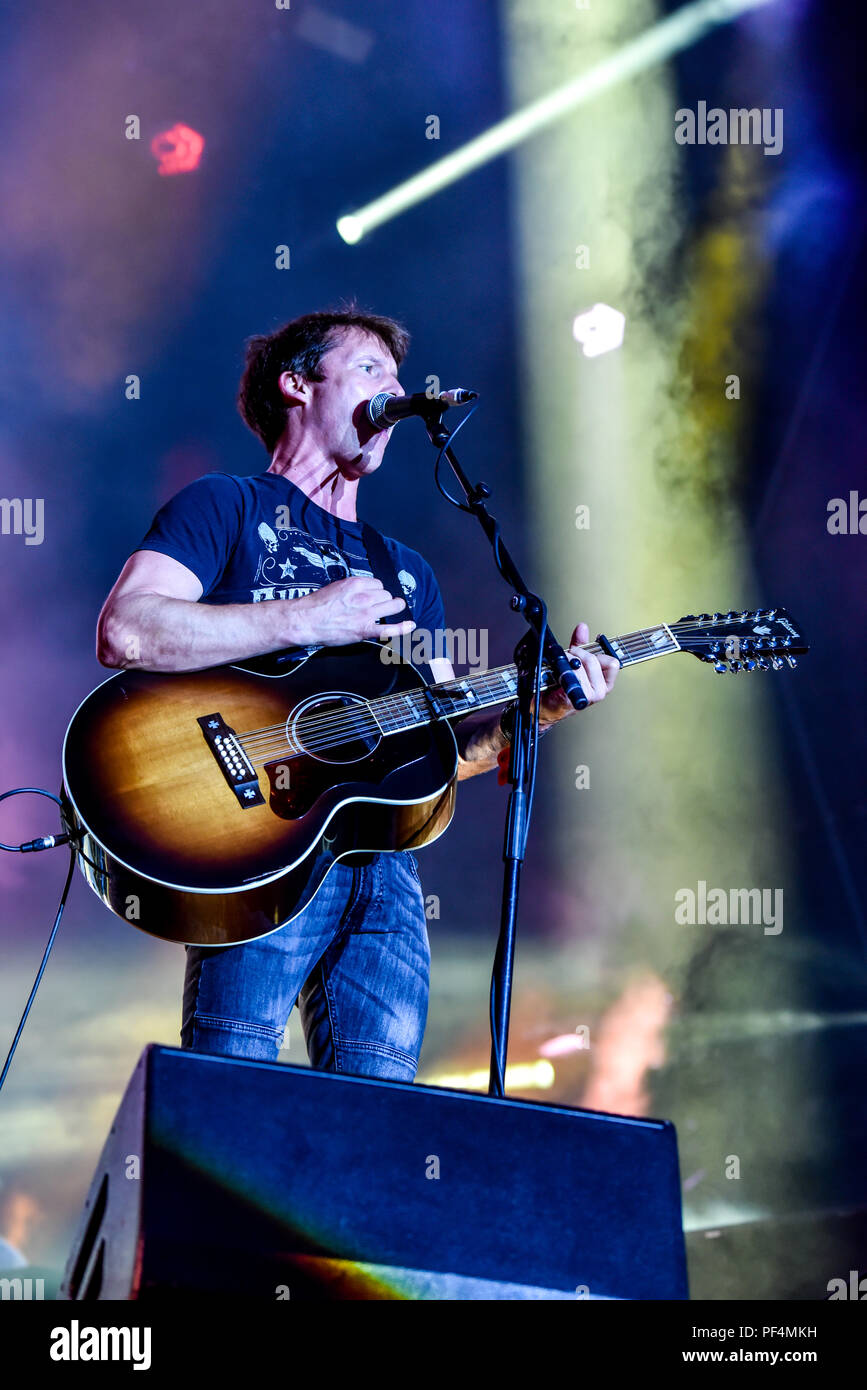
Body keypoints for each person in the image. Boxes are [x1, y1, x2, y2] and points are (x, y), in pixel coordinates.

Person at [96, 305, 619, 1083]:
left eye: (401, 382)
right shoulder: (225, 505)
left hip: (385, 873)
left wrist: (538, 711)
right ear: (298, 384)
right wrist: (306, 616)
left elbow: (436, 753)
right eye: (372, 372)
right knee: (231, 1090)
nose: (395, 395)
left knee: (378, 1123)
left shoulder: (404, 572)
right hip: (258, 841)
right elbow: (128, 632)